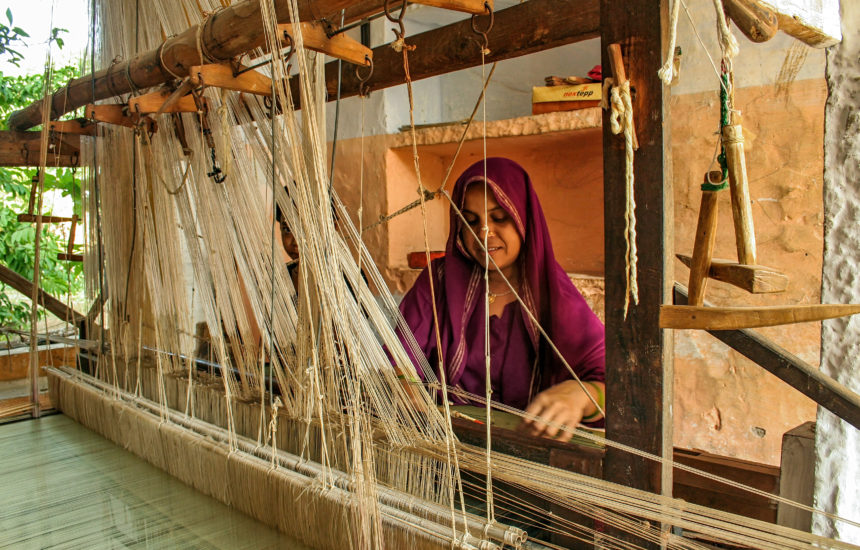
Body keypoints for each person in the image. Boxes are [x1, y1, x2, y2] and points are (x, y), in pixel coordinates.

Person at [398, 158, 606, 441]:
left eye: (499, 218)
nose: (484, 233)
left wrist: (578, 396)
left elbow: (612, 385)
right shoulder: (439, 282)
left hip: (528, 457)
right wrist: (404, 391)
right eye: (471, 221)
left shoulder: (554, 294)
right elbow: (396, 357)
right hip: (446, 450)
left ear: (524, 219)